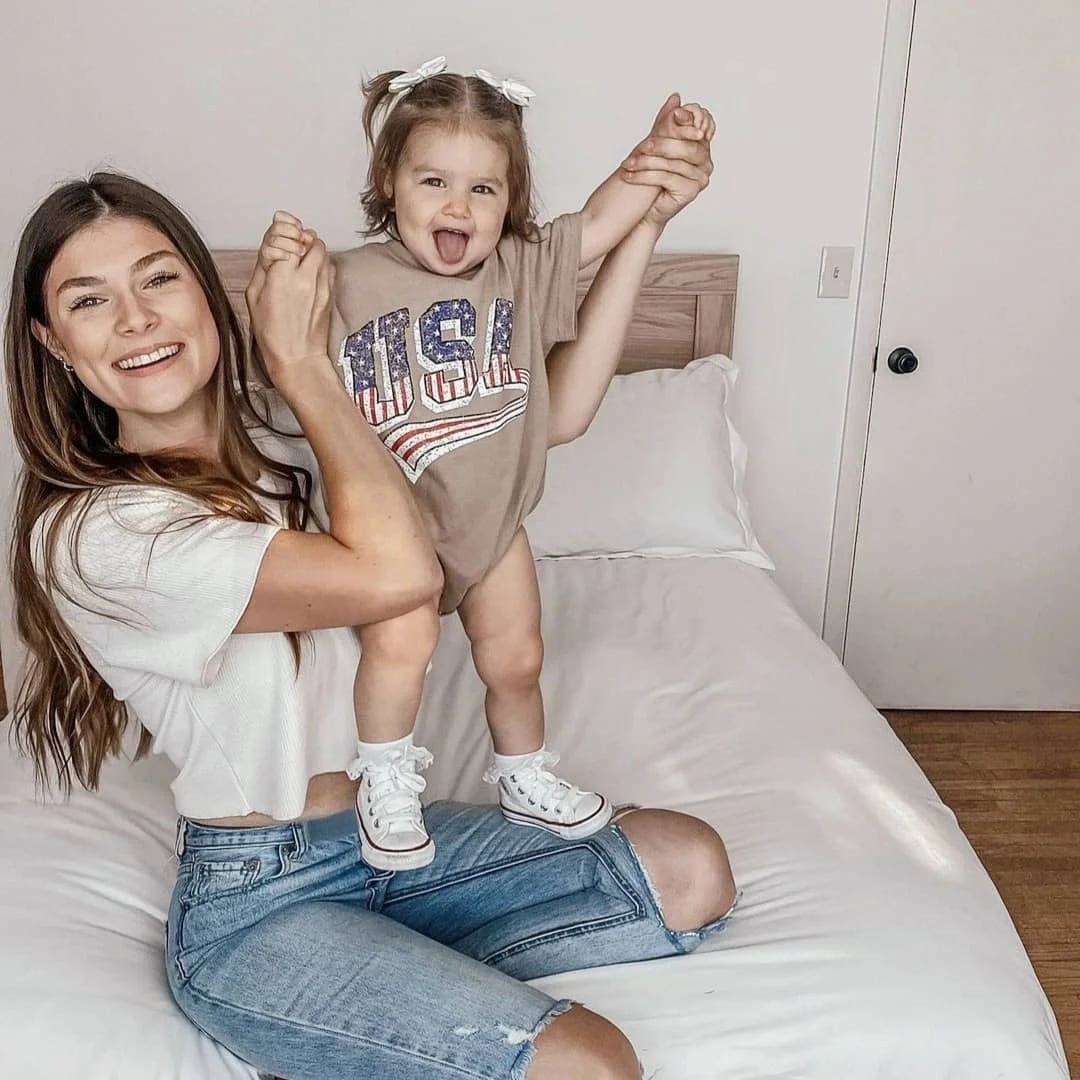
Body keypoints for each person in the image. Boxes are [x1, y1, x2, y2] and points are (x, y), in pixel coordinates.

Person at [5, 159, 732, 1080]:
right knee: (593, 1063)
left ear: (207, 294)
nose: (137, 319)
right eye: (89, 300)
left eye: (158, 279)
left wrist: (645, 226)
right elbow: (397, 576)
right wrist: (304, 364)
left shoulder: (299, 441)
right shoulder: (96, 533)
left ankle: (381, 1005)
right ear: (53, 343)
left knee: (688, 865)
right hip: (260, 899)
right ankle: (351, 1005)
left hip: (394, 840)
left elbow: (545, 416)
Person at [255, 57, 718, 870]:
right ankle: (386, 778)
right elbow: (282, 356)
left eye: (483, 189)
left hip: (494, 522)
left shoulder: (519, 268)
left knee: (519, 656)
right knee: (402, 649)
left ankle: (524, 773)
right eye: (433, 181)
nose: (458, 207)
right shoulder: (344, 281)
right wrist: (283, 272)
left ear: (511, 202)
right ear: (389, 182)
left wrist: (657, 153)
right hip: (392, 534)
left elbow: (603, 217)